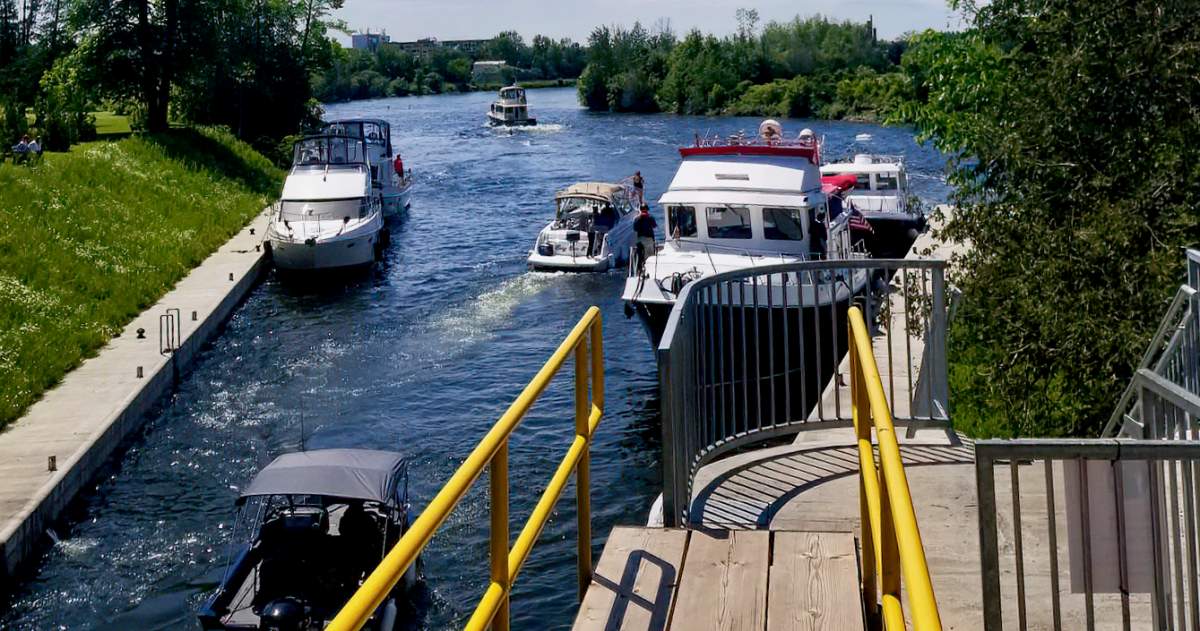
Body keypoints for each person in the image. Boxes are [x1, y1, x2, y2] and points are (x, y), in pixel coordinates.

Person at [633, 203, 657, 269]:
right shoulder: (650, 217)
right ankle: (649, 269)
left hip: (639, 239)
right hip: (649, 239)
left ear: (640, 210)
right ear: (647, 209)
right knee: (650, 257)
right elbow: (654, 226)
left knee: (640, 255)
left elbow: (635, 229)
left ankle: (639, 269)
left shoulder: (636, 218)